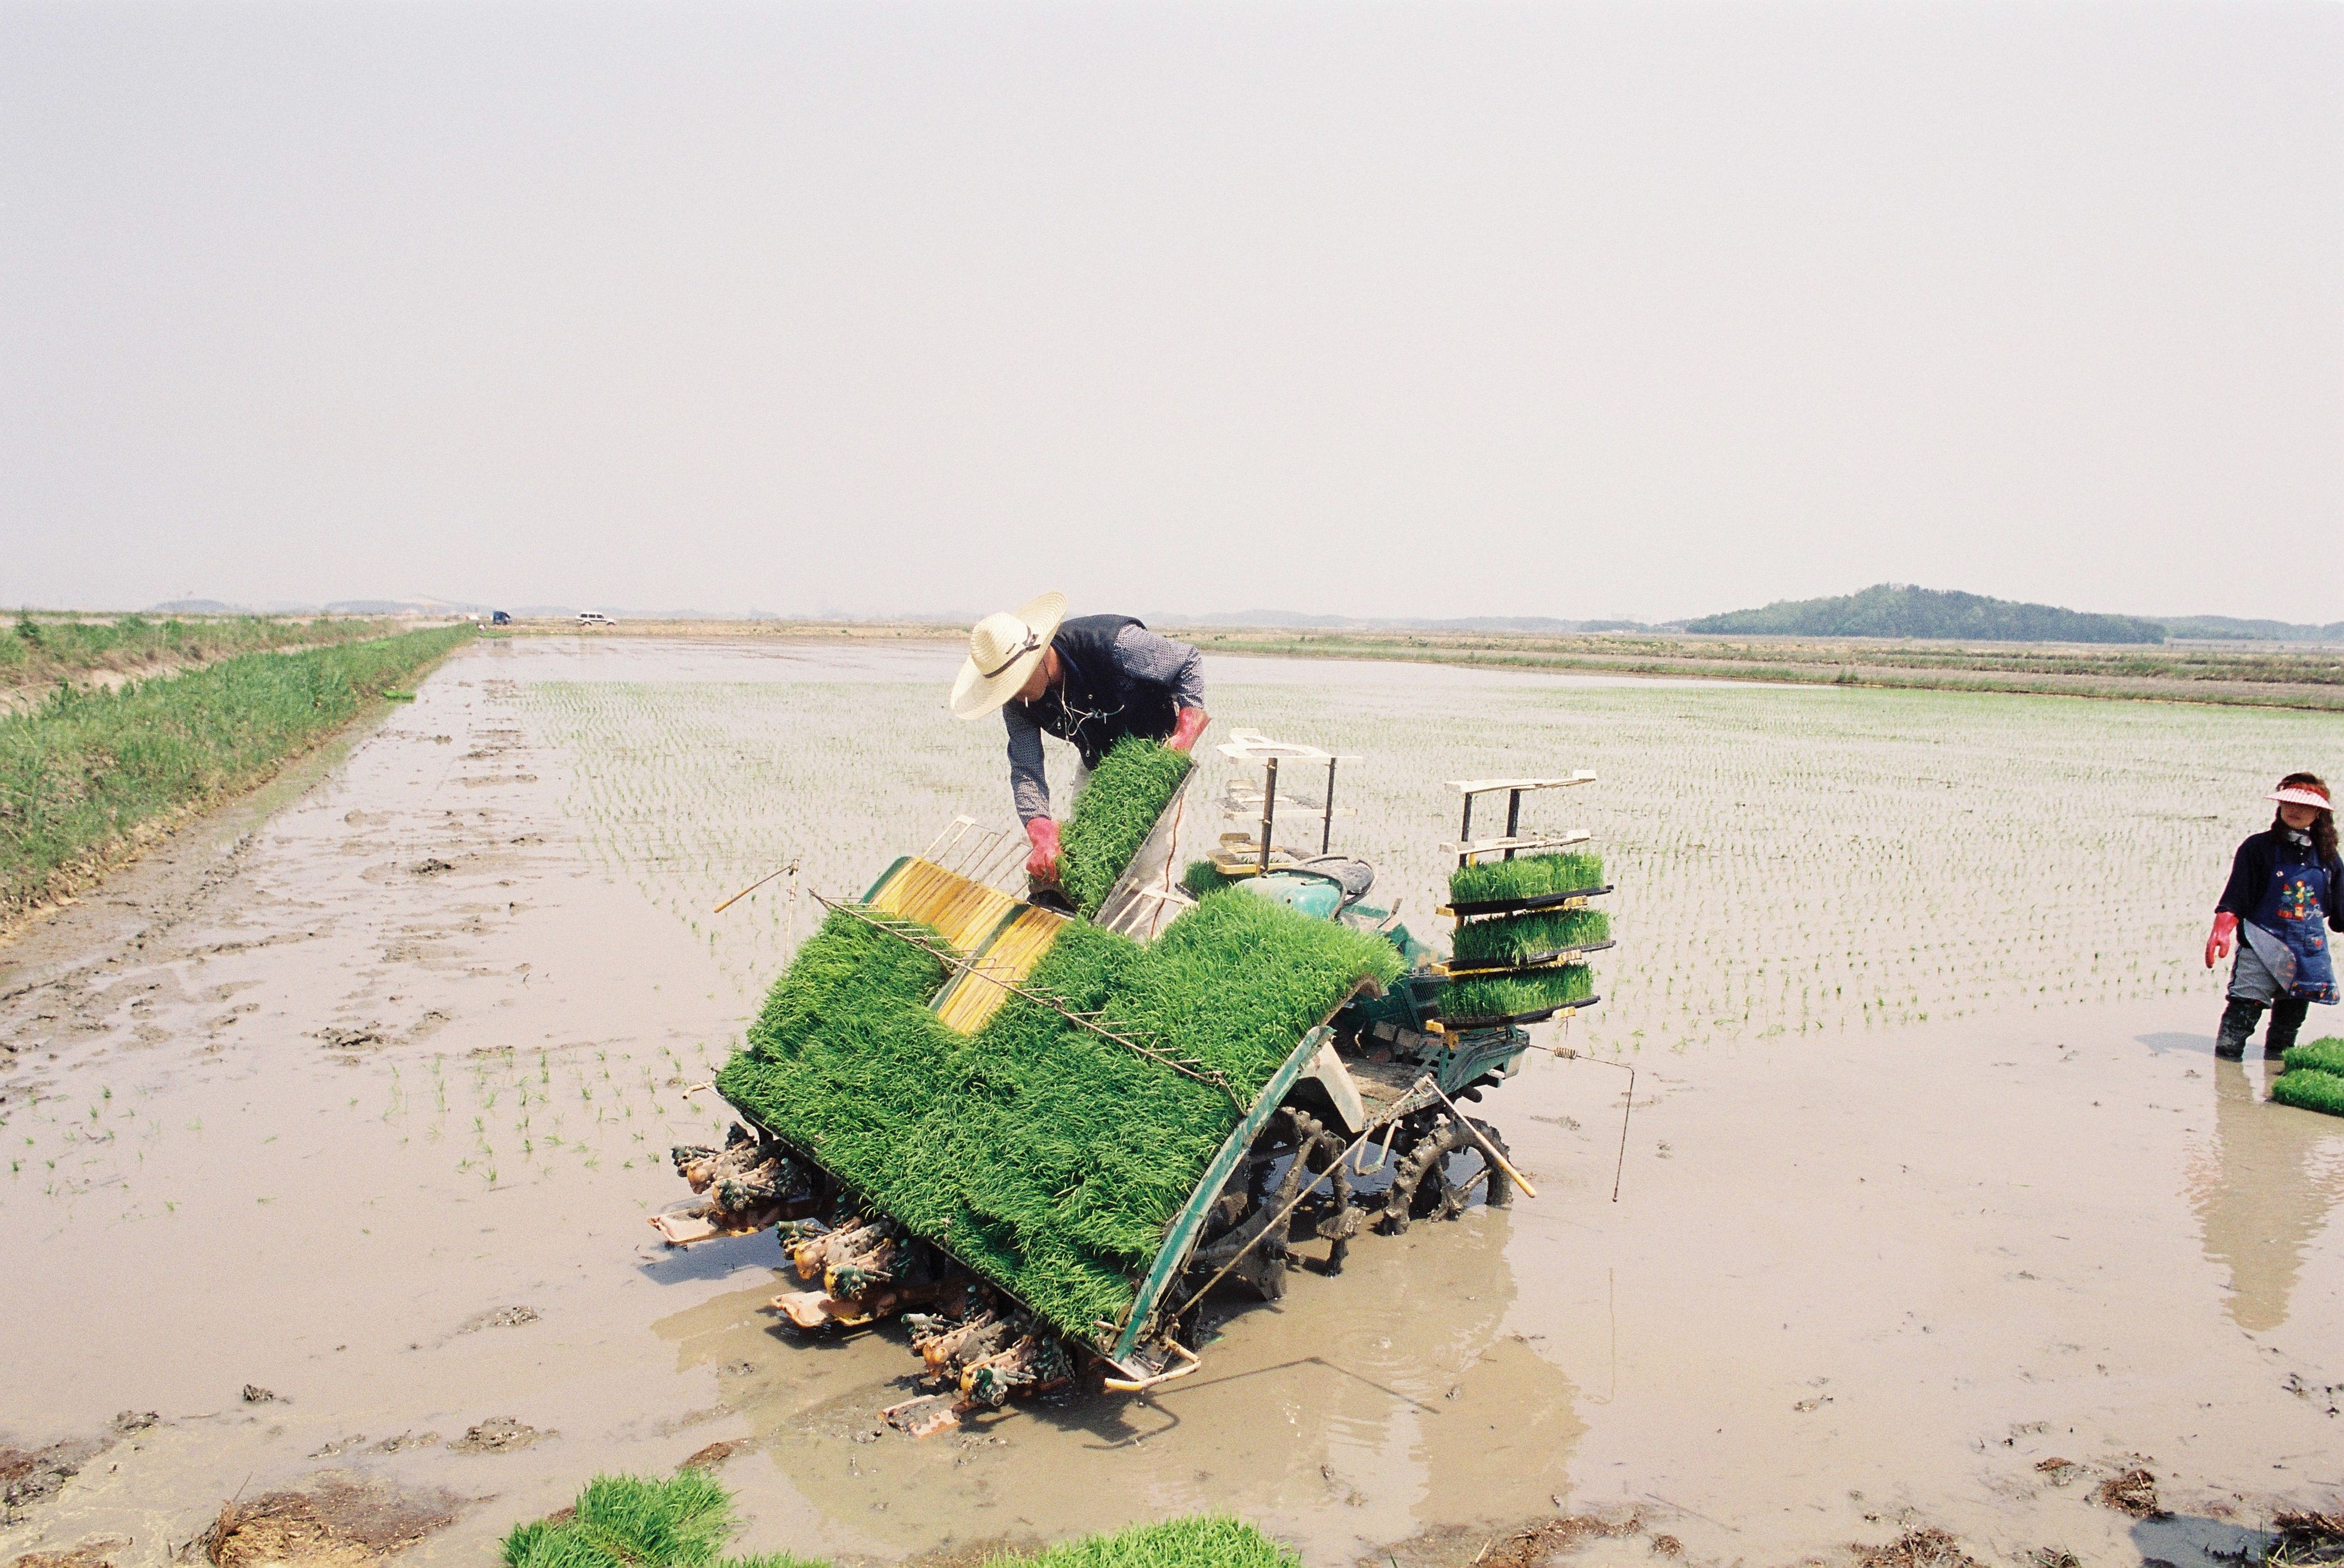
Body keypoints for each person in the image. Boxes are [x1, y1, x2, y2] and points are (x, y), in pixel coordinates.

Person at [949, 592, 1210, 882]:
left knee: (1148, 870)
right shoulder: (1016, 702)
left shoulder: (1112, 642)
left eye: (1017, 683)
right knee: (1088, 861)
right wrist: (1041, 829)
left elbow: (1187, 661)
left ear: (1040, 658)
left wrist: (1185, 730)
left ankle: (1147, 927)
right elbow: (1026, 770)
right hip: (1096, 763)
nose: (1015, 696)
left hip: (1156, 759)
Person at [2204, 773, 2343, 1059]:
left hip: (2307, 950)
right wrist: (2222, 928)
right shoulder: (2258, 848)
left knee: (2289, 1024)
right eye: (2289, 803)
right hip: (2261, 941)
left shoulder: (2328, 857)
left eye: (2305, 806)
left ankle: (2274, 1074)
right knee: (2242, 1012)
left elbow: (2341, 912)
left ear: (2318, 813)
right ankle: (2227, 1077)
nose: (2295, 810)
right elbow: (2237, 895)